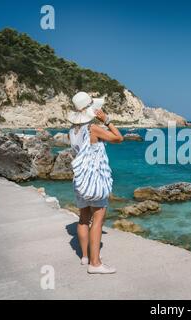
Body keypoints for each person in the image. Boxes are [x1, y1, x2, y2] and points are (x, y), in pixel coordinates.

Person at [67, 92, 123, 274]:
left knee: (83, 218)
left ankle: (84, 257)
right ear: (90, 110)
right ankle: (95, 263)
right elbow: (118, 138)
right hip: (94, 180)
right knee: (97, 219)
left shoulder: (72, 131)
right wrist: (107, 120)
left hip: (79, 180)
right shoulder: (93, 129)